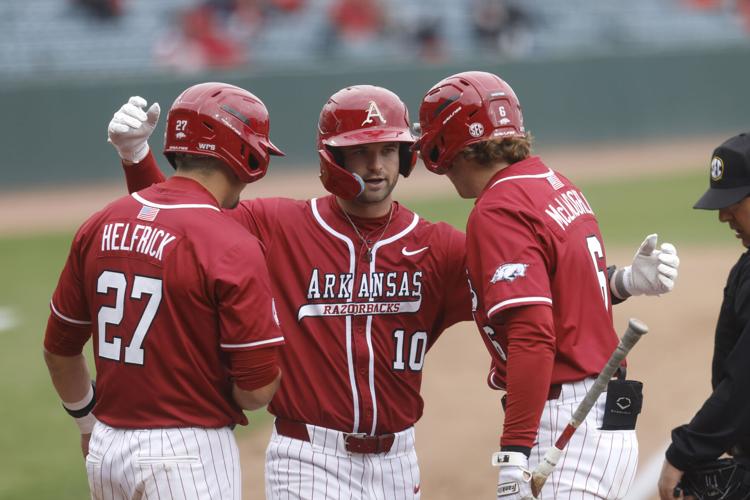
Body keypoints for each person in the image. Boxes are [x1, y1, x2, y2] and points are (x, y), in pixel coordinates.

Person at [110, 83, 677, 499]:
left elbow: (538, 298)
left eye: (387, 150)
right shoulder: (277, 226)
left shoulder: (439, 246)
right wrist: (139, 161)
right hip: (308, 457)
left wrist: (619, 282)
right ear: (332, 157)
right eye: (360, 151)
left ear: (410, 155)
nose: (376, 165)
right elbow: (179, 224)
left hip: (397, 463)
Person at [413, 71, 680, 499]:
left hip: (566, 430)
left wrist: (514, 454)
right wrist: (625, 281)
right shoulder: (554, 184)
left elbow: (532, 334)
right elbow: (566, 294)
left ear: (446, 145)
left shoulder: (498, 208)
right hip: (605, 421)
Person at [43, 82, 285, 499]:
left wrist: (87, 424)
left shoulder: (102, 222)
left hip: (106, 448)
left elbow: (59, 350)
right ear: (246, 154)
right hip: (189, 453)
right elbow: (257, 389)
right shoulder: (232, 243)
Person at [657, 133, 750, 500]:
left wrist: (686, 451)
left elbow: (746, 379)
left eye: (734, 202)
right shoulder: (744, 267)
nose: (723, 215)